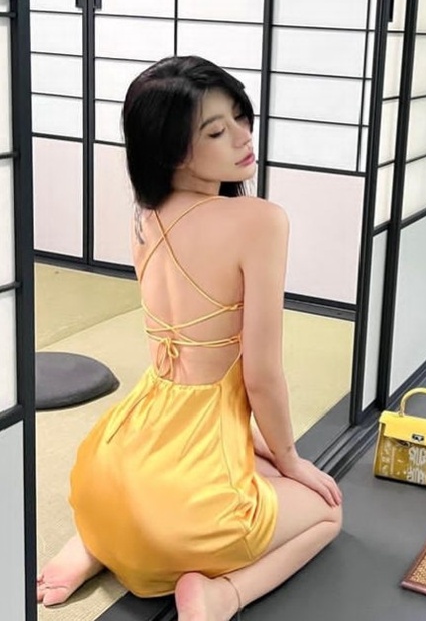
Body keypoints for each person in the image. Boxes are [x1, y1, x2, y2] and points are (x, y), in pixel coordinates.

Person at [37, 55, 343, 619]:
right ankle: (222, 595)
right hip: (181, 509)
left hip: (108, 467)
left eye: (241, 118)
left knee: (247, 467)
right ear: (173, 149)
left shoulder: (144, 216)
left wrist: (264, 450)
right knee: (327, 512)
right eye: (216, 131)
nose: (243, 138)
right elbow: (261, 375)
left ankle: (97, 543)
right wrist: (292, 459)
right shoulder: (259, 221)